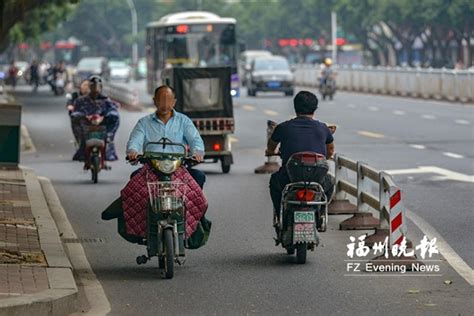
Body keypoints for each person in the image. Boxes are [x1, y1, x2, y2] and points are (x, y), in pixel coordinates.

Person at [266, 91, 335, 226]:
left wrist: (270, 152)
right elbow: (330, 150)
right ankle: (320, 213)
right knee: (330, 182)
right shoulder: (323, 128)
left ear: (295, 107)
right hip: (317, 178)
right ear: (315, 109)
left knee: (274, 181)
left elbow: (271, 146)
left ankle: (279, 217)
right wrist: (326, 157)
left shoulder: (283, 127)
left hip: (289, 177)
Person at [126, 85, 206, 188]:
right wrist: (132, 151)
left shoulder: (184, 121)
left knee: (199, 176)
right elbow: (135, 140)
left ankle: (188, 204)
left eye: (168, 99)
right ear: (154, 101)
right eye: (160, 99)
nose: (164, 103)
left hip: (178, 167)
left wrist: (197, 153)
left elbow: (195, 140)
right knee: (134, 177)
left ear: (174, 102)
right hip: (151, 169)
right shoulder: (144, 122)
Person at [71, 75, 119, 161]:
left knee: (115, 118)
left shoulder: (106, 100)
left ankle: (108, 140)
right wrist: (84, 116)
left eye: (97, 86)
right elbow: (75, 112)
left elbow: (113, 111)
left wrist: (105, 116)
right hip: (87, 125)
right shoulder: (81, 100)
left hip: (102, 125)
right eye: (93, 86)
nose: (95, 88)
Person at [67, 79, 90, 145]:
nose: (86, 87)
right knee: (76, 123)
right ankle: (79, 141)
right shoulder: (75, 95)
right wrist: (70, 106)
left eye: (88, 85)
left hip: (92, 115)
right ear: (80, 86)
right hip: (79, 116)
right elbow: (69, 103)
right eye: (84, 85)